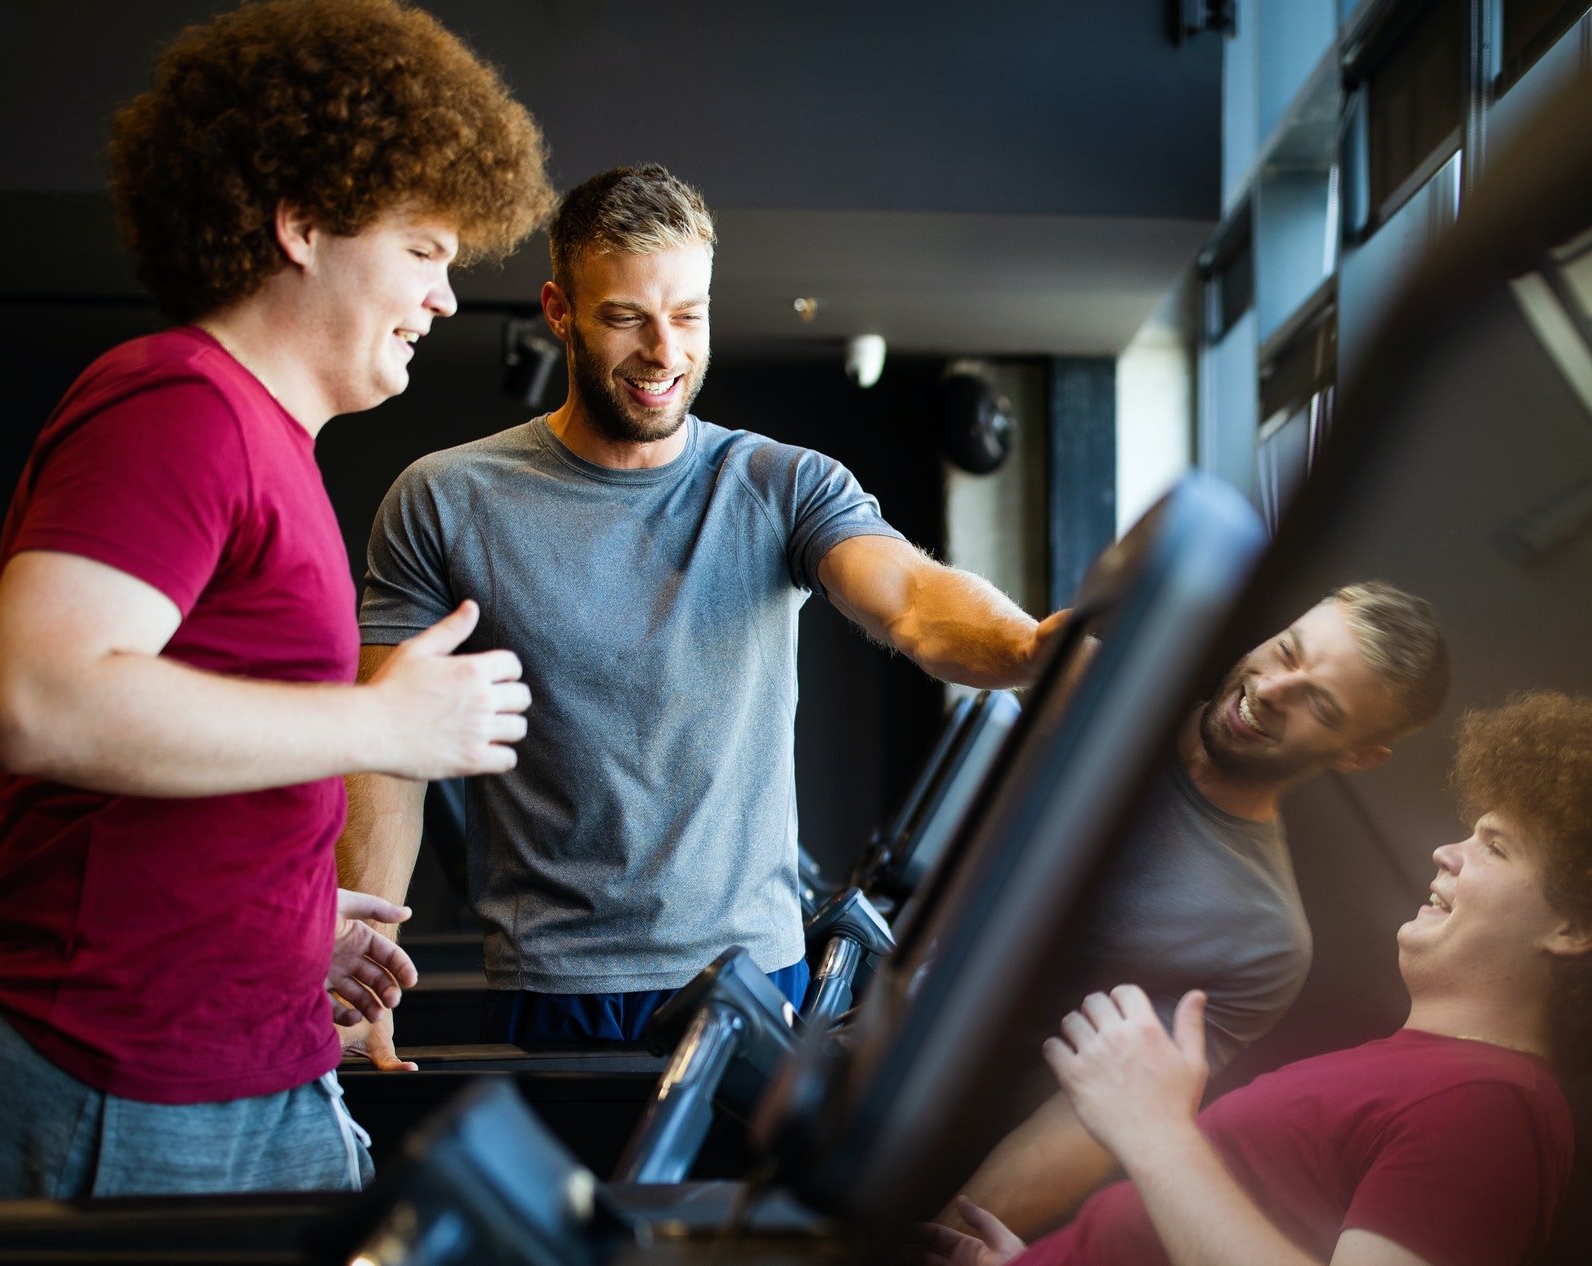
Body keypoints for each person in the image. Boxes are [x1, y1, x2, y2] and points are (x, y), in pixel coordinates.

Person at [0, 0, 554, 1202]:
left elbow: (161, 769)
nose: (446, 299)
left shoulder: (270, 443)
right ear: (302, 222)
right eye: (424, 250)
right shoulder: (176, 402)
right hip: (100, 1074)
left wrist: (285, 917)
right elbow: (41, 700)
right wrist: (382, 725)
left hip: (232, 1067)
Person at [338, 164, 1061, 1064]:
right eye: (625, 317)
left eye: (688, 316)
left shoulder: (780, 484)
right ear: (560, 311)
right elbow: (383, 759)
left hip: (750, 979)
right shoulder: (447, 498)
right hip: (553, 981)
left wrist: (1030, 645)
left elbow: (912, 599)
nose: (665, 352)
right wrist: (365, 974)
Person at [922, 691, 1592, 1266]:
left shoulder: (1493, 1111)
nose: (1449, 852)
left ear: (1575, 928)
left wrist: (1151, 1128)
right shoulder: (1441, 1076)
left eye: (1497, 848)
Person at [953, 583, 1449, 1236]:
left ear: (1357, 757)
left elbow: (1091, 1115)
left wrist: (940, 1233)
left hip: (929, 1124)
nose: (1274, 689)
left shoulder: (1263, 941)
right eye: (1287, 651)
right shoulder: (1112, 688)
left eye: (1320, 707)